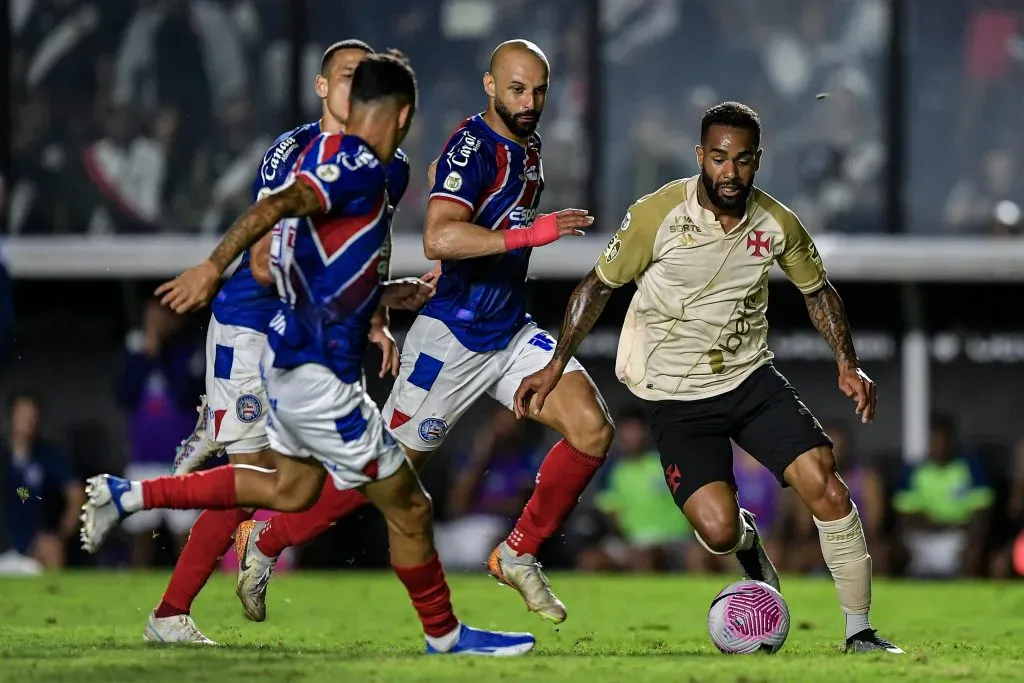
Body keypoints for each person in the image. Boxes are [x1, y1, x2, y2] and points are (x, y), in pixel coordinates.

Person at [80, 52, 534, 657]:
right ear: (402, 113)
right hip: (280, 349)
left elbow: (344, 254)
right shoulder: (337, 163)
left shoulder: (382, 169)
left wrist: (377, 305)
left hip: (297, 357)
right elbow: (272, 233)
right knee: (407, 504)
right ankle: (445, 636)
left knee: (286, 491)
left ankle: (131, 500)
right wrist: (214, 268)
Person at [234, 39, 614, 626]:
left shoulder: (527, 143)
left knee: (592, 429)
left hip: (507, 331)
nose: (530, 100)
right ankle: (264, 540)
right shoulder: (474, 147)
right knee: (381, 478)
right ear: (490, 87)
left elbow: (465, 216)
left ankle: (518, 552)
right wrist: (526, 236)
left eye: (539, 89)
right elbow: (438, 235)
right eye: (517, 89)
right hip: (450, 341)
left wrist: (479, 245)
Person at [513, 101, 903, 654]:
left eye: (742, 161)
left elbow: (819, 292)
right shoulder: (658, 214)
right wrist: (555, 364)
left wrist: (847, 361)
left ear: (757, 162)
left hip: (749, 380)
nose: (730, 172)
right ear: (701, 155)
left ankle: (859, 631)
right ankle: (751, 550)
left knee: (827, 482)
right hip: (674, 397)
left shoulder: (777, 224)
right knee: (718, 530)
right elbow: (597, 286)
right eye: (719, 158)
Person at [135, 39, 413, 645]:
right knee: (257, 475)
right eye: (346, 77)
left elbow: (368, 245)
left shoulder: (391, 164)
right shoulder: (292, 155)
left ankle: (244, 528)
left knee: (345, 467)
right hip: (253, 326)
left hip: (311, 330)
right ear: (321, 87)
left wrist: (374, 317)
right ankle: (170, 611)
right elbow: (264, 265)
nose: (356, 89)